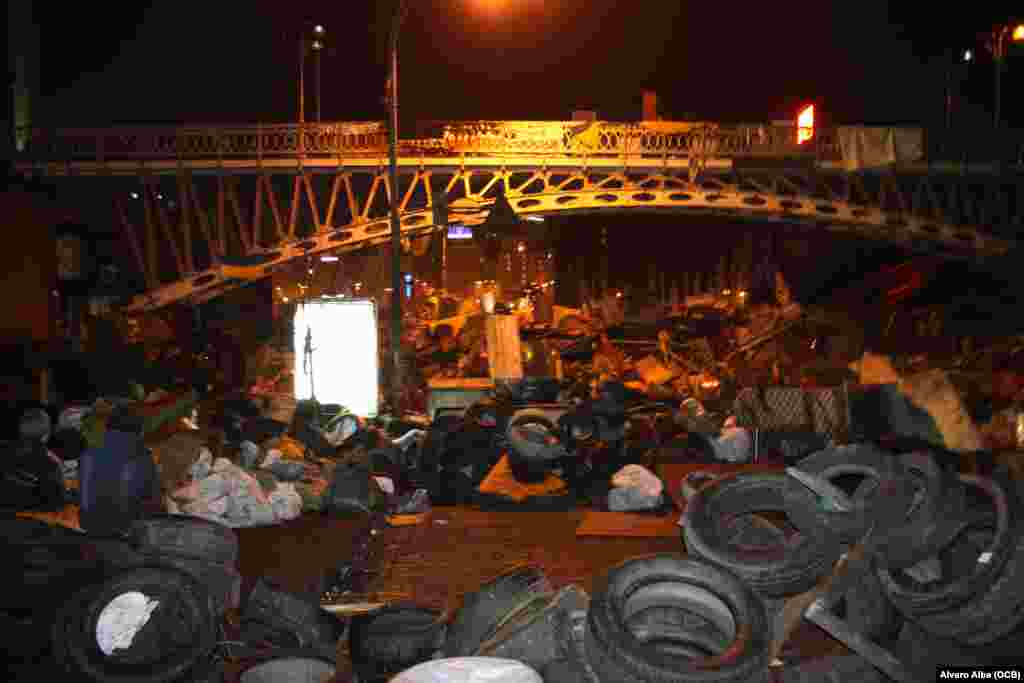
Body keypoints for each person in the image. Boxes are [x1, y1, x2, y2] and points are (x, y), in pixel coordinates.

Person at [1, 408, 67, 511]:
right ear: (46, 436)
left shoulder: (5, 454)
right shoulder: (51, 464)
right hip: (37, 521)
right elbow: (58, 501)